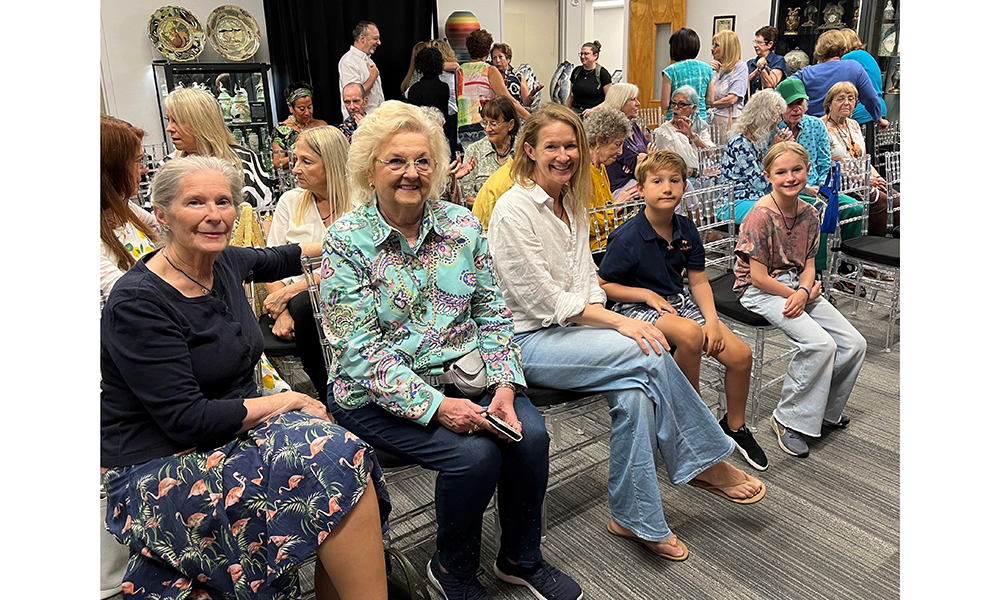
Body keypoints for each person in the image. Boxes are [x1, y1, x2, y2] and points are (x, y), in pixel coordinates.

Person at [320, 101, 583, 600]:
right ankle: (452, 570)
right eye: (395, 161)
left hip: (472, 377)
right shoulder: (346, 240)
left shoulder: (462, 225)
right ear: (369, 168)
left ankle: (520, 559)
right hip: (378, 395)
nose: (411, 173)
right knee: (475, 456)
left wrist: (505, 387)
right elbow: (358, 354)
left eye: (422, 161)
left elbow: (492, 314)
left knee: (530, 437)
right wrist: (437, 407)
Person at [101, 155, 391, 599]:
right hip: (155, 461)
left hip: (230, 434)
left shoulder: (224, 262)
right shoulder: (139, 301)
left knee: (344, 452)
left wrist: (377, 226)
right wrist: (288, 400)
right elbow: (186, 419)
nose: (214, 215)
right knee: (330, 455)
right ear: (161, 215)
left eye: (224, 202)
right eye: (195, 202)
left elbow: (287, 256)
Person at [488, 103, 765, 563]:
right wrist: (621, 321)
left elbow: (587, 283)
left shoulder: (570, 204)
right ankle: (703, 459)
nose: (563, 155)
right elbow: (548, 303)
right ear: (530, 150)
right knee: (650, 350)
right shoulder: (514, 209)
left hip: (573, 332)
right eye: (551, 146)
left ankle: (634, 517)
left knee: (636, 392)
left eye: (571, 144)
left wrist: (610, 316)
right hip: (526, 342)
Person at [597, 150, 766, 471]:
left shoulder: (687, 229)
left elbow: (699, 281)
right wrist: (645, 293)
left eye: (675, 181)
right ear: (641, 188)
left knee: (741, 356)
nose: (667, 188)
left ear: (684, 186)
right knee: (689, 334)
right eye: (657, 181)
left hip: (678, 303)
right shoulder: (628, 236)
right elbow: (603, 284)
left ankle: (734, 426)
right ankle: (693, 420)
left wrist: (713, 322)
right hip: (633, 308)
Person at [733, 141, 866, 458]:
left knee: (854, 343)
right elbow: (759, 277)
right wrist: (796, 294)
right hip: (759, 288)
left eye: (797, 170)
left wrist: (804, 291)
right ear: (768, 175)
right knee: (821, 345)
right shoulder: (760, 216)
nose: (790, 177)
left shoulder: (809, 213)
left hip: (795, 285)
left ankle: (821, 410)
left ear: (808, 171)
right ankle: (787, 419)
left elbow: (809, 266)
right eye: (781, 172)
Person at [264, 126, 354, 395]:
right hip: (297, 303)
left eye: (306, 161)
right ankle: (329, 399)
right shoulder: (290, 202)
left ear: (332, 164)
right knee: (304, 307)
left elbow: (349, 263)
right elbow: (271, 266)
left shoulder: (360, 203)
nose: (295, 169)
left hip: (347, 293)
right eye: (296, 160)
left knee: (307, 303)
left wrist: (291, 292)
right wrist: (282, 311)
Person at [160, 87, 274, 208]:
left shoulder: (243, 159)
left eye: (177, 121)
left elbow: (267, 210)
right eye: (169, 120)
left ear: (202, 123)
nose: (169, 128)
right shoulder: (168, 167)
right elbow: (156, 218)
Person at [820, 82, 896, 238]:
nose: (847, 103)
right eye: (840, 98)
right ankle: (872, 245)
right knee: (880, 201)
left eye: (851, 98)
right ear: (829, 103)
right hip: (840, 181)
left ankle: (893, 246)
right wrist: (864, 179)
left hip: (863, 179)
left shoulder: (853, 124)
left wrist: (879, 178)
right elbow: (827, 165)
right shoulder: (821, 126)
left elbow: (864, 160)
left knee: (896, 197)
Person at [100, 115, 160, 304]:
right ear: (112, 169)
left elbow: (160, 225)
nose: (143, 169)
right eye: (137, 161)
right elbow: (126, 292)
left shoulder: (124, 208)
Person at [719, 89, 787, 224]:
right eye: (777, 116)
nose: (778, 121)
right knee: (779, 213)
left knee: (791, 206)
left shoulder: (756, 142)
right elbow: (761, 183)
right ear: (765, 117)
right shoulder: (739, 143)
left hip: (756, 198)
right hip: (734, 203)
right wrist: (773, 151)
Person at [790, 29, 883, 123]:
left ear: (819, 49)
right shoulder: (854, 67)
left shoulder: (806, 73)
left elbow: (783, 90)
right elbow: (871, 98)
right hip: (840, 128)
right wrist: (878, 118)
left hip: (812, 128)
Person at [457, 29, 531, 146]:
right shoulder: (489, 70)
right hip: (485, 125)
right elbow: (508, 100)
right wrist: (531, 118)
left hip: (463, 127)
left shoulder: (460, 70)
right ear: (488, 50)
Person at [584, 105, 632, 250]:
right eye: (617, 145)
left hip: (611, 238)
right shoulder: (583, 171)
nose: (620, 152)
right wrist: (616, 207)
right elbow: (588, 223)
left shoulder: (601, 166)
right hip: (597, 247)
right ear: (599, 141)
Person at [458, 96, 519, 208]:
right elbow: (467, 196)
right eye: (485, 123)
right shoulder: (475, 150)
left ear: (510, 124)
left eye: (494, 123)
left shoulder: (522, 151)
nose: (487, 129)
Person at [602, 83, 657, 200]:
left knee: (684, 185)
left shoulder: (633, 125)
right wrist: (644, 159)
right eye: (633, 99)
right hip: (621, 187)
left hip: (638, 180)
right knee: (660, 193)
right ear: (620, 102)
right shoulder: (613, 129)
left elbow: (651, 156)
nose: (638, 103)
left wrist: (644, 160)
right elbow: (637, 162)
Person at [841, 28, 890, 149]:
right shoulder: (867, 56)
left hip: (862, 111)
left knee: (859, 154)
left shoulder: (848, 59)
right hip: (877, 108)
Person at [652, 85, 713, 173]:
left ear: (693, 108)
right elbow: (668, 166)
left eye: (681, 104)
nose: (676, 107)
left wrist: (692, 135)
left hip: (705, 173)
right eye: (674, 103)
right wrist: (696, 173)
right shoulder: (664, 132)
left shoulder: (699, 125)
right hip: (683, 176)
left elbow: (709, 154)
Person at [270, 81, 329, 170]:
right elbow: (278, 163)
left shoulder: (322, 126)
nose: (307, 113)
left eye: (309, 107)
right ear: (290, 107)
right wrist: (300, 154)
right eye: (301, 109)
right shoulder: (281, 130)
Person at [660, 28, 714, 121]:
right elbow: (710, 100)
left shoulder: (670, 71)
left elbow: (665, 104)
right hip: (700, 121)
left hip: (676, 122)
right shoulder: (707, 69)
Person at [338, 20, 383, 119]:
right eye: (375, 38)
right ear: (362, 38)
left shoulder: (369, 60)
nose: (379, 42)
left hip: (376, 120)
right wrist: (372, 77)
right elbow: (353, 96)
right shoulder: (348, 61)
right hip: (359, 122)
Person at [707, 30, 749, 130]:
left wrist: (710, 105)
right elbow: (703, 95)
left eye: (716, 45)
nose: (712, 49)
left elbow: (732, 99)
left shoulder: (740, 67)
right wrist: (707, 71)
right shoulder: (714, 69)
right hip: (710, 120)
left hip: (727, 122)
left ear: (727, 48)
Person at [431, 39, 463, 156]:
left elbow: (456, 65)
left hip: (450, 115)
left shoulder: (449, 71)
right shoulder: (447, 72)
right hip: (446, 114)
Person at [405, 47, 451, 128]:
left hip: (422, 130)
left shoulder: (415, 89)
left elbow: (412, 118)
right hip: (440, 128)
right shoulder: (444, 87)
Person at [491, 42, 544, 109]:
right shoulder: (490, 75)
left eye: (500, 57)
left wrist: (532, 94)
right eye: (494, 58)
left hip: (514, 115)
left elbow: (526, 102)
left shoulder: (518, 76)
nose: (497, 60)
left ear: (508, 59)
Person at [567, 41, 613, 115]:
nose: (582, 56)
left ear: (595, 56)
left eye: (586, 54)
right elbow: (571, 96)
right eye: (581, 54)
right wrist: (567, 112)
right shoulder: (576, 71)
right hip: (576, 113)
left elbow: (610, 100)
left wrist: (593, 110)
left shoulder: (602, 73)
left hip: (594, 115)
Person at [746, 26, 786, 98]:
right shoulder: (750, 63)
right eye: (755, 42)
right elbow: (742, 84)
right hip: (751, 104)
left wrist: (762, 69)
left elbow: (770, 85)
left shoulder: (778, 60)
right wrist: (755, 73)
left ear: (770, 44)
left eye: (759, 42)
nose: (755, 45)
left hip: (769, 105)